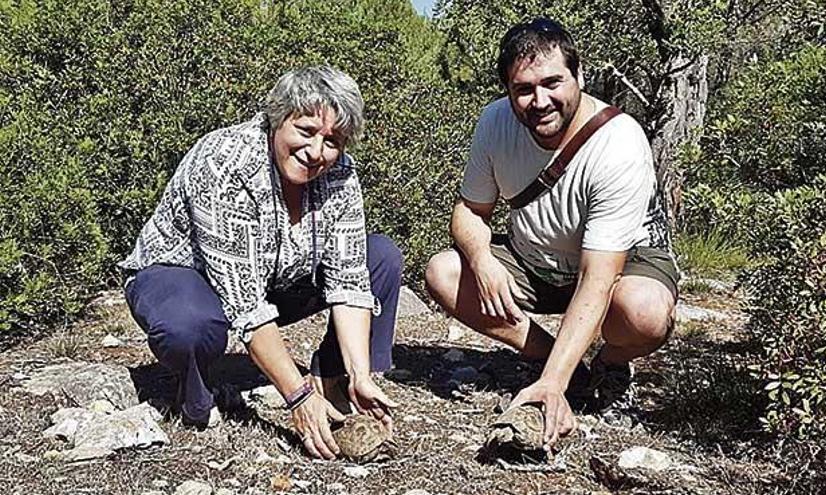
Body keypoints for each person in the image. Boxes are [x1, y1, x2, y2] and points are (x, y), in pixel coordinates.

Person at [119, 66, 400, 460]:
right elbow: (246, 305)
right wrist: (296, 397)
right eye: (305, 132)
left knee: (380, 257)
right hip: (181, 276)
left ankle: (334, 378)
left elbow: (350, 278)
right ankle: (195, 395)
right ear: (276, 119)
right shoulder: (225, 163)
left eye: (332, 141)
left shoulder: (340, 173)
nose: (317, 152)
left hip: (273, 278)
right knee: (190, 324)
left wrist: (360, 373)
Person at [425, 18, 679, 450]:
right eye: (523, 89)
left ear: (579, 76)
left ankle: (610, 364)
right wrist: (484, 261)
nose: (539, 100)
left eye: (552, 82)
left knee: (644, 312)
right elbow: (470, 211)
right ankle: (561, 361)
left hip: (617, 265)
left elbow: (598, 277)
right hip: (534, 258)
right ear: (508, 91)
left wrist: (550, 387)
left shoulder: (618, 143)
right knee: (444, 272)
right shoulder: (495, 122)